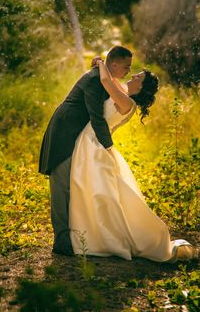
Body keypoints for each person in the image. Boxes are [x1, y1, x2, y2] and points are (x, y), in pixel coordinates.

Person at [69, 58, 198, 262]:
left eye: (139, 77)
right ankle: (93, 235)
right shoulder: (122, 93)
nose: (134, 75)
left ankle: (108, 239)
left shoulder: (127, 103)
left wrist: (101, 63)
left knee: (101, 193)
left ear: (142, 87)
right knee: (91, 190)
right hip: (89, 141)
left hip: (96, 144)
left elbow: (104, 80)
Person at [39, 46, 133, 256]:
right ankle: (61, 242)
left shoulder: (103, 78)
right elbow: (96, 117)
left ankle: (72, 236)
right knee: (61, 187)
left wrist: (100, 62)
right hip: (64, 133)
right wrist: (108, 147)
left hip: (76, 136)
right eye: (126, 66)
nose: (128, 70)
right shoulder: (93, 80)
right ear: (115, 63)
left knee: (73, 186)